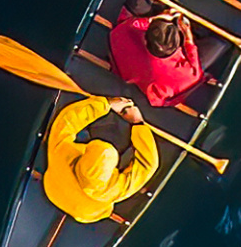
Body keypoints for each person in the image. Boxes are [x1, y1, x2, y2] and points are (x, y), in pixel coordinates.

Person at [41, 96, 158, 224]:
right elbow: (148, 165)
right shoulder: (112, 190)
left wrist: (106, 104)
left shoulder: (62, 153)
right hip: (86, 212)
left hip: (55, 188)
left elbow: (68, 119)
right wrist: (137, 125)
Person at [109, 8, 219, 107]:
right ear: (177, 45)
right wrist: (187, 32)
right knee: (219, 42)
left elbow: (127, 26)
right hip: (174, 88)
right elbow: (190, 45)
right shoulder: (192, 74)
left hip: (148, 88)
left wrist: (156, 19)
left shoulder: (123, 35)